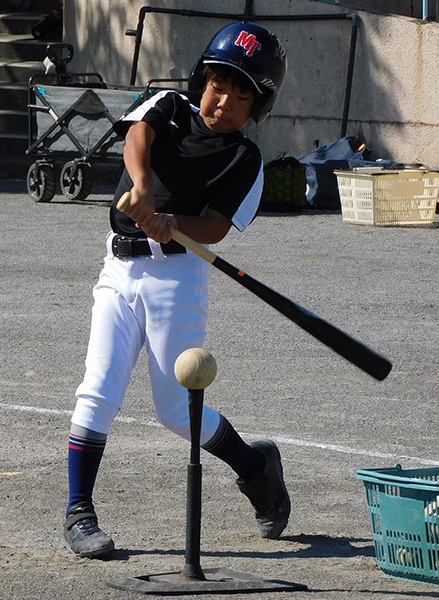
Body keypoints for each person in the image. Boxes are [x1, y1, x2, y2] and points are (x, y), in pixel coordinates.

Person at [62, 22, 289, 559]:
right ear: (200, 79)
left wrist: (170, 221)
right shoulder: (167, 105)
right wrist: (140, 188)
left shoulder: (246, 160)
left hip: (177, 279)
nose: (224, 101)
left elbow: (212, 228)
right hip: (118, 269)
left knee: (175, 410)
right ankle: (78, 511)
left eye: (241, 94)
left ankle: (256, 468)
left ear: (257, 105)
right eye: (218, 84)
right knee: (98, 387)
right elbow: (136, 137)